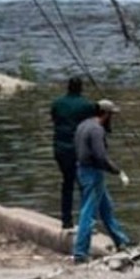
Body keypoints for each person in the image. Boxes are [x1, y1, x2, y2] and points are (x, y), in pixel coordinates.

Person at [72, 99, 132, 263]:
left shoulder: (83, 125)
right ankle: (80, 253)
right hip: (93, 173)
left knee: (106, 208)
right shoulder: (97, 130)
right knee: (88, 213)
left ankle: (122, 241)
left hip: (81, 170)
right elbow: (101, 156)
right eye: (111, 115)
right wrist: (118, 171)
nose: (112, 118)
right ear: (106, 114)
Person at [49, 77, 97, 230]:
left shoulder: (57, 104)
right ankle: (86, 222)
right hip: (78, 150)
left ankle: (66, 221)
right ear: (81, 88)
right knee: (85, 186)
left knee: (67, 184)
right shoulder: (86, 106)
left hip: (60, 149)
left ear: (67, 87)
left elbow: (54, 120)